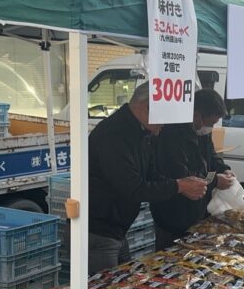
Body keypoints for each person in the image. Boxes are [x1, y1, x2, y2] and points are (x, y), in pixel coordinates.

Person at [88, 83, 207, 274]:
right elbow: (133, 188)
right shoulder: (114, 135)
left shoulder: (142, 132)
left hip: (117, 229)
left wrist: (183, 184)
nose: (166, 124)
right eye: (164, 117)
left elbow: (152, 174)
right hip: (97, 231)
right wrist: (178, 186)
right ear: (146, 108)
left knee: (121, 283)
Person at [150, 88, 234, 250]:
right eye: (211, 123)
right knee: (170, 258)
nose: (211, 128)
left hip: (198, 211)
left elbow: (211, 157)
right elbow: (183, 175)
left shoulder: (202, 132)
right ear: (197, 115)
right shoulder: (170, 134)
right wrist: (215, 180)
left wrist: (224, 169)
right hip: (172, 214)